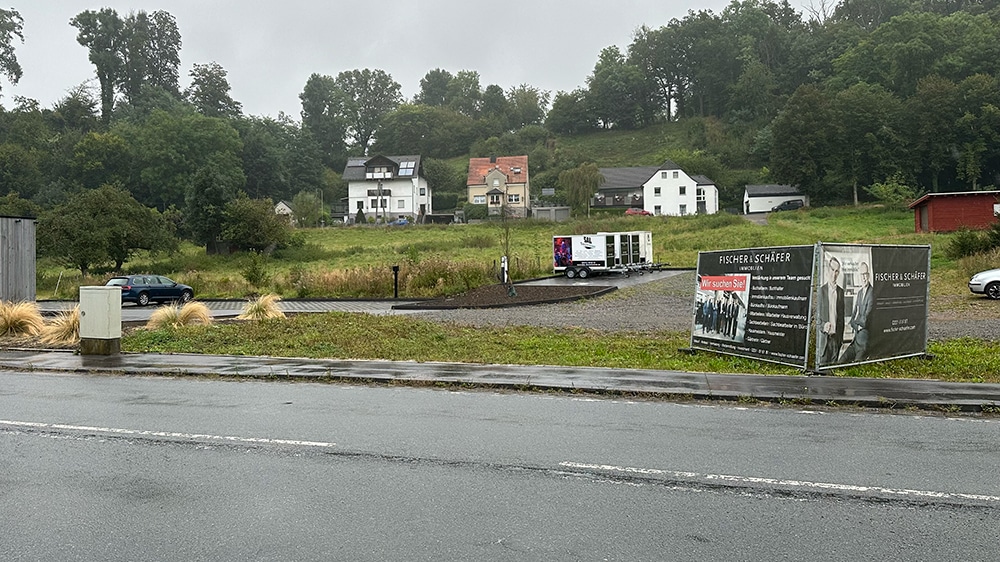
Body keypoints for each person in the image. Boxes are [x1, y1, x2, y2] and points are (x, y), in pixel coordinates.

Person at [839, 261, 874, 363]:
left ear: (869, 275)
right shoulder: (859, 293)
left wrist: (857, 323)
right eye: (862, 275)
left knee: (854, 367)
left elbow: (866, 320)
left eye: (865, 274)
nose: (863, 277)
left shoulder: (872, 293)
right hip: (855, 342)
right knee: (840, 362)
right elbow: (852, 318)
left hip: (864, 343)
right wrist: (857, 325)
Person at [817, 255, 845, 366]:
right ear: (828, 269)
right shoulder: (821, 291)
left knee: (833, 372)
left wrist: (840, 340)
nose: (834, 274)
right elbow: (815, 318)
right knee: (821, 372)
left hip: (836, 341)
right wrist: (823, 325)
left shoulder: (841, 292)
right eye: (832, 270)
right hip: (824, 340)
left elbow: (841, 318)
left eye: (837, 271)